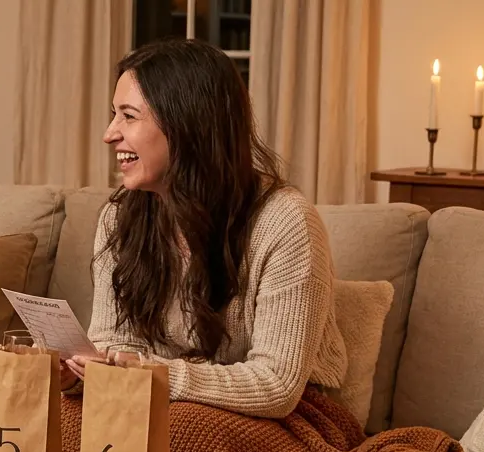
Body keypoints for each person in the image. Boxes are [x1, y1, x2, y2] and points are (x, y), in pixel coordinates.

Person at [63, 38, 347, 419]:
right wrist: (85, 372)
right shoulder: (120, 216)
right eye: (114, 115)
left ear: (186, 125)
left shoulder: (285, 220)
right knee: (44, 432)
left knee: (175, 445)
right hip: (156, 400)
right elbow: (115, 340)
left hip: (293, 417)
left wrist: (161, 378)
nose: (110, 133)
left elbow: (277, 386)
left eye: (128, 116)